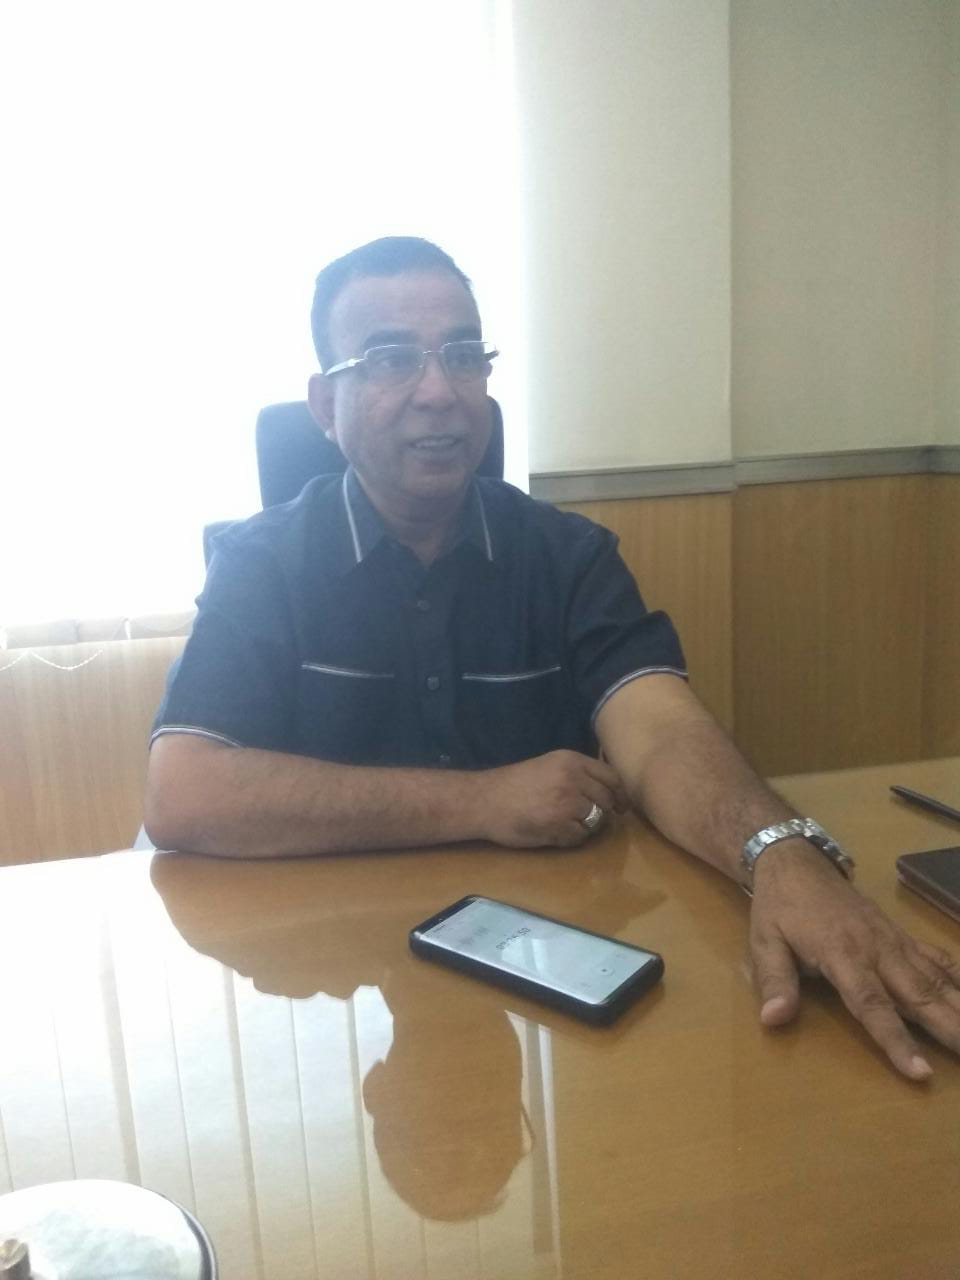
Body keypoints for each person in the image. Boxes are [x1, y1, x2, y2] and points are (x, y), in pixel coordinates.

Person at [145, 236, 960, 1083]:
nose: (439, 390)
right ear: (325, 403)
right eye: (391, 359)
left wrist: (782, 857)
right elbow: (184, 792)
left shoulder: (568, 557)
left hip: (547, 964)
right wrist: (482, 800)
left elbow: (662, 732)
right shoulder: (262, 564)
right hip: (324, 954)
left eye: (464, 354)